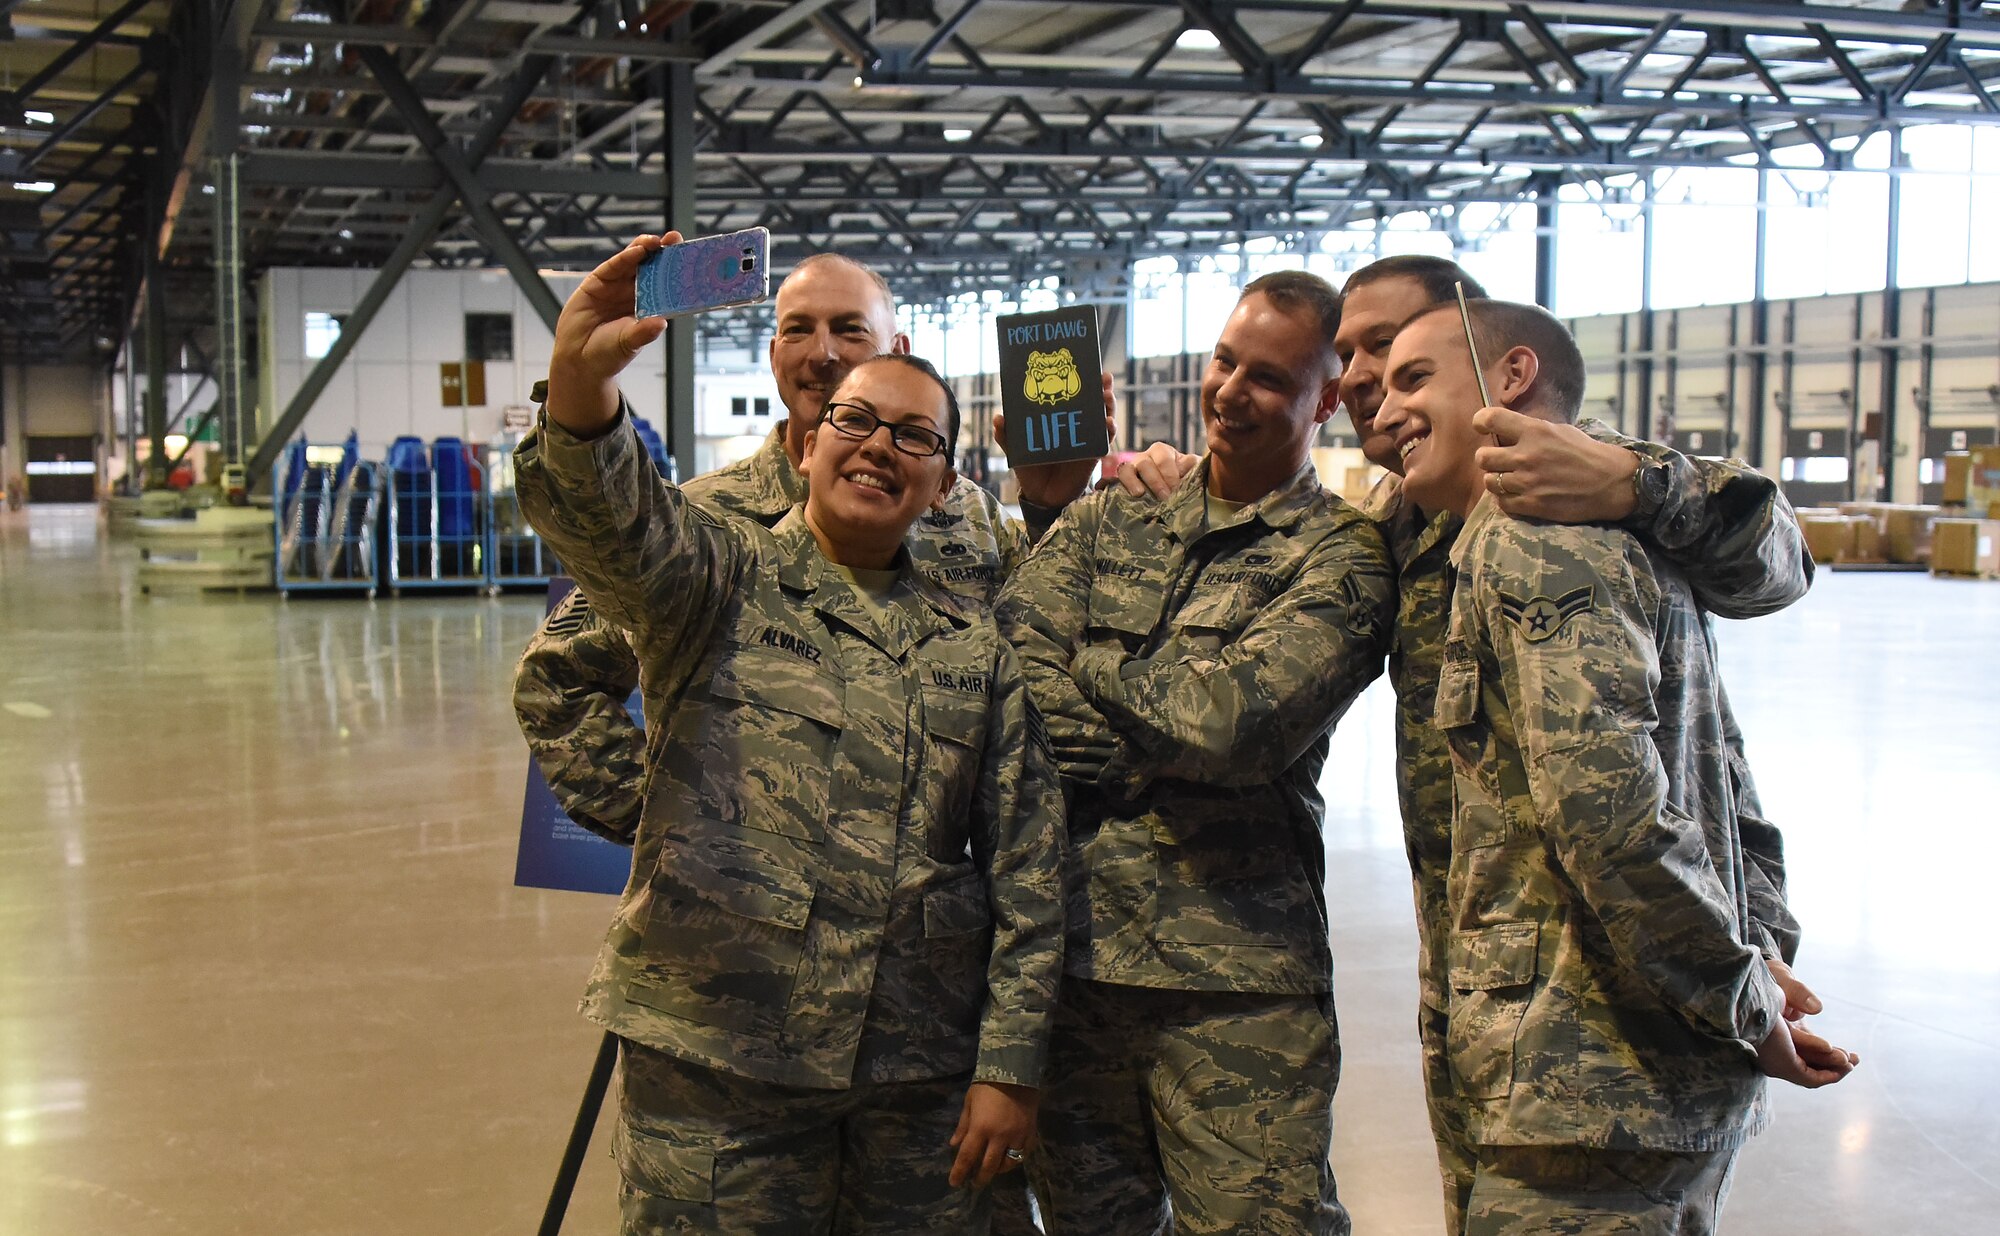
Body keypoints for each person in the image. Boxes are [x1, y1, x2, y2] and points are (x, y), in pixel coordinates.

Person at [513, 233, 1066, 1234]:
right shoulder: (715, 557)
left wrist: (1010, 1059)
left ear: (942, 476)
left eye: (908, 433)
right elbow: (609, 536)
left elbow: (1028, 839)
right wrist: (677, 826)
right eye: (800, 336)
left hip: (912, 1044)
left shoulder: (972, 579)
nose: (873, 443)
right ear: (803, 435)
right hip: (723, 1036)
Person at [1330, 255, 1823, 1233]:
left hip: (1587, 1048)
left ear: (1503, 367)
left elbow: (1773, 567)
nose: (1358, 379)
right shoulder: (1404, 519)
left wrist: (1638, 484)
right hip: (1496, 1017)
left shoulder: (1573, 507)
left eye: (1391, 355)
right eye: (1347, 359)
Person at [995, 270, 1396, 1235]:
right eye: (1225, 361)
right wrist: (1152, 727)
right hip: (1075, 965)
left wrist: (1090, 663)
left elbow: (1234, 728)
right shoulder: (1111, 515)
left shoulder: (1339, 555)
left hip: (1236, 983)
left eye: (1268, 376)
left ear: (1324, 399)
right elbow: (1008, 670)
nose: (1230, 392)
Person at [514, 252, 1109, 848]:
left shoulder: (970, 518)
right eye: (798, 329)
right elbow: (556, 679)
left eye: (850, 329)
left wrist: (1050, 511)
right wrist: (674, 818)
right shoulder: (704, 521)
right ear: (774, 355)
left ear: (897, 348)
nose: (822, 353)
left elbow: (1043, 672)